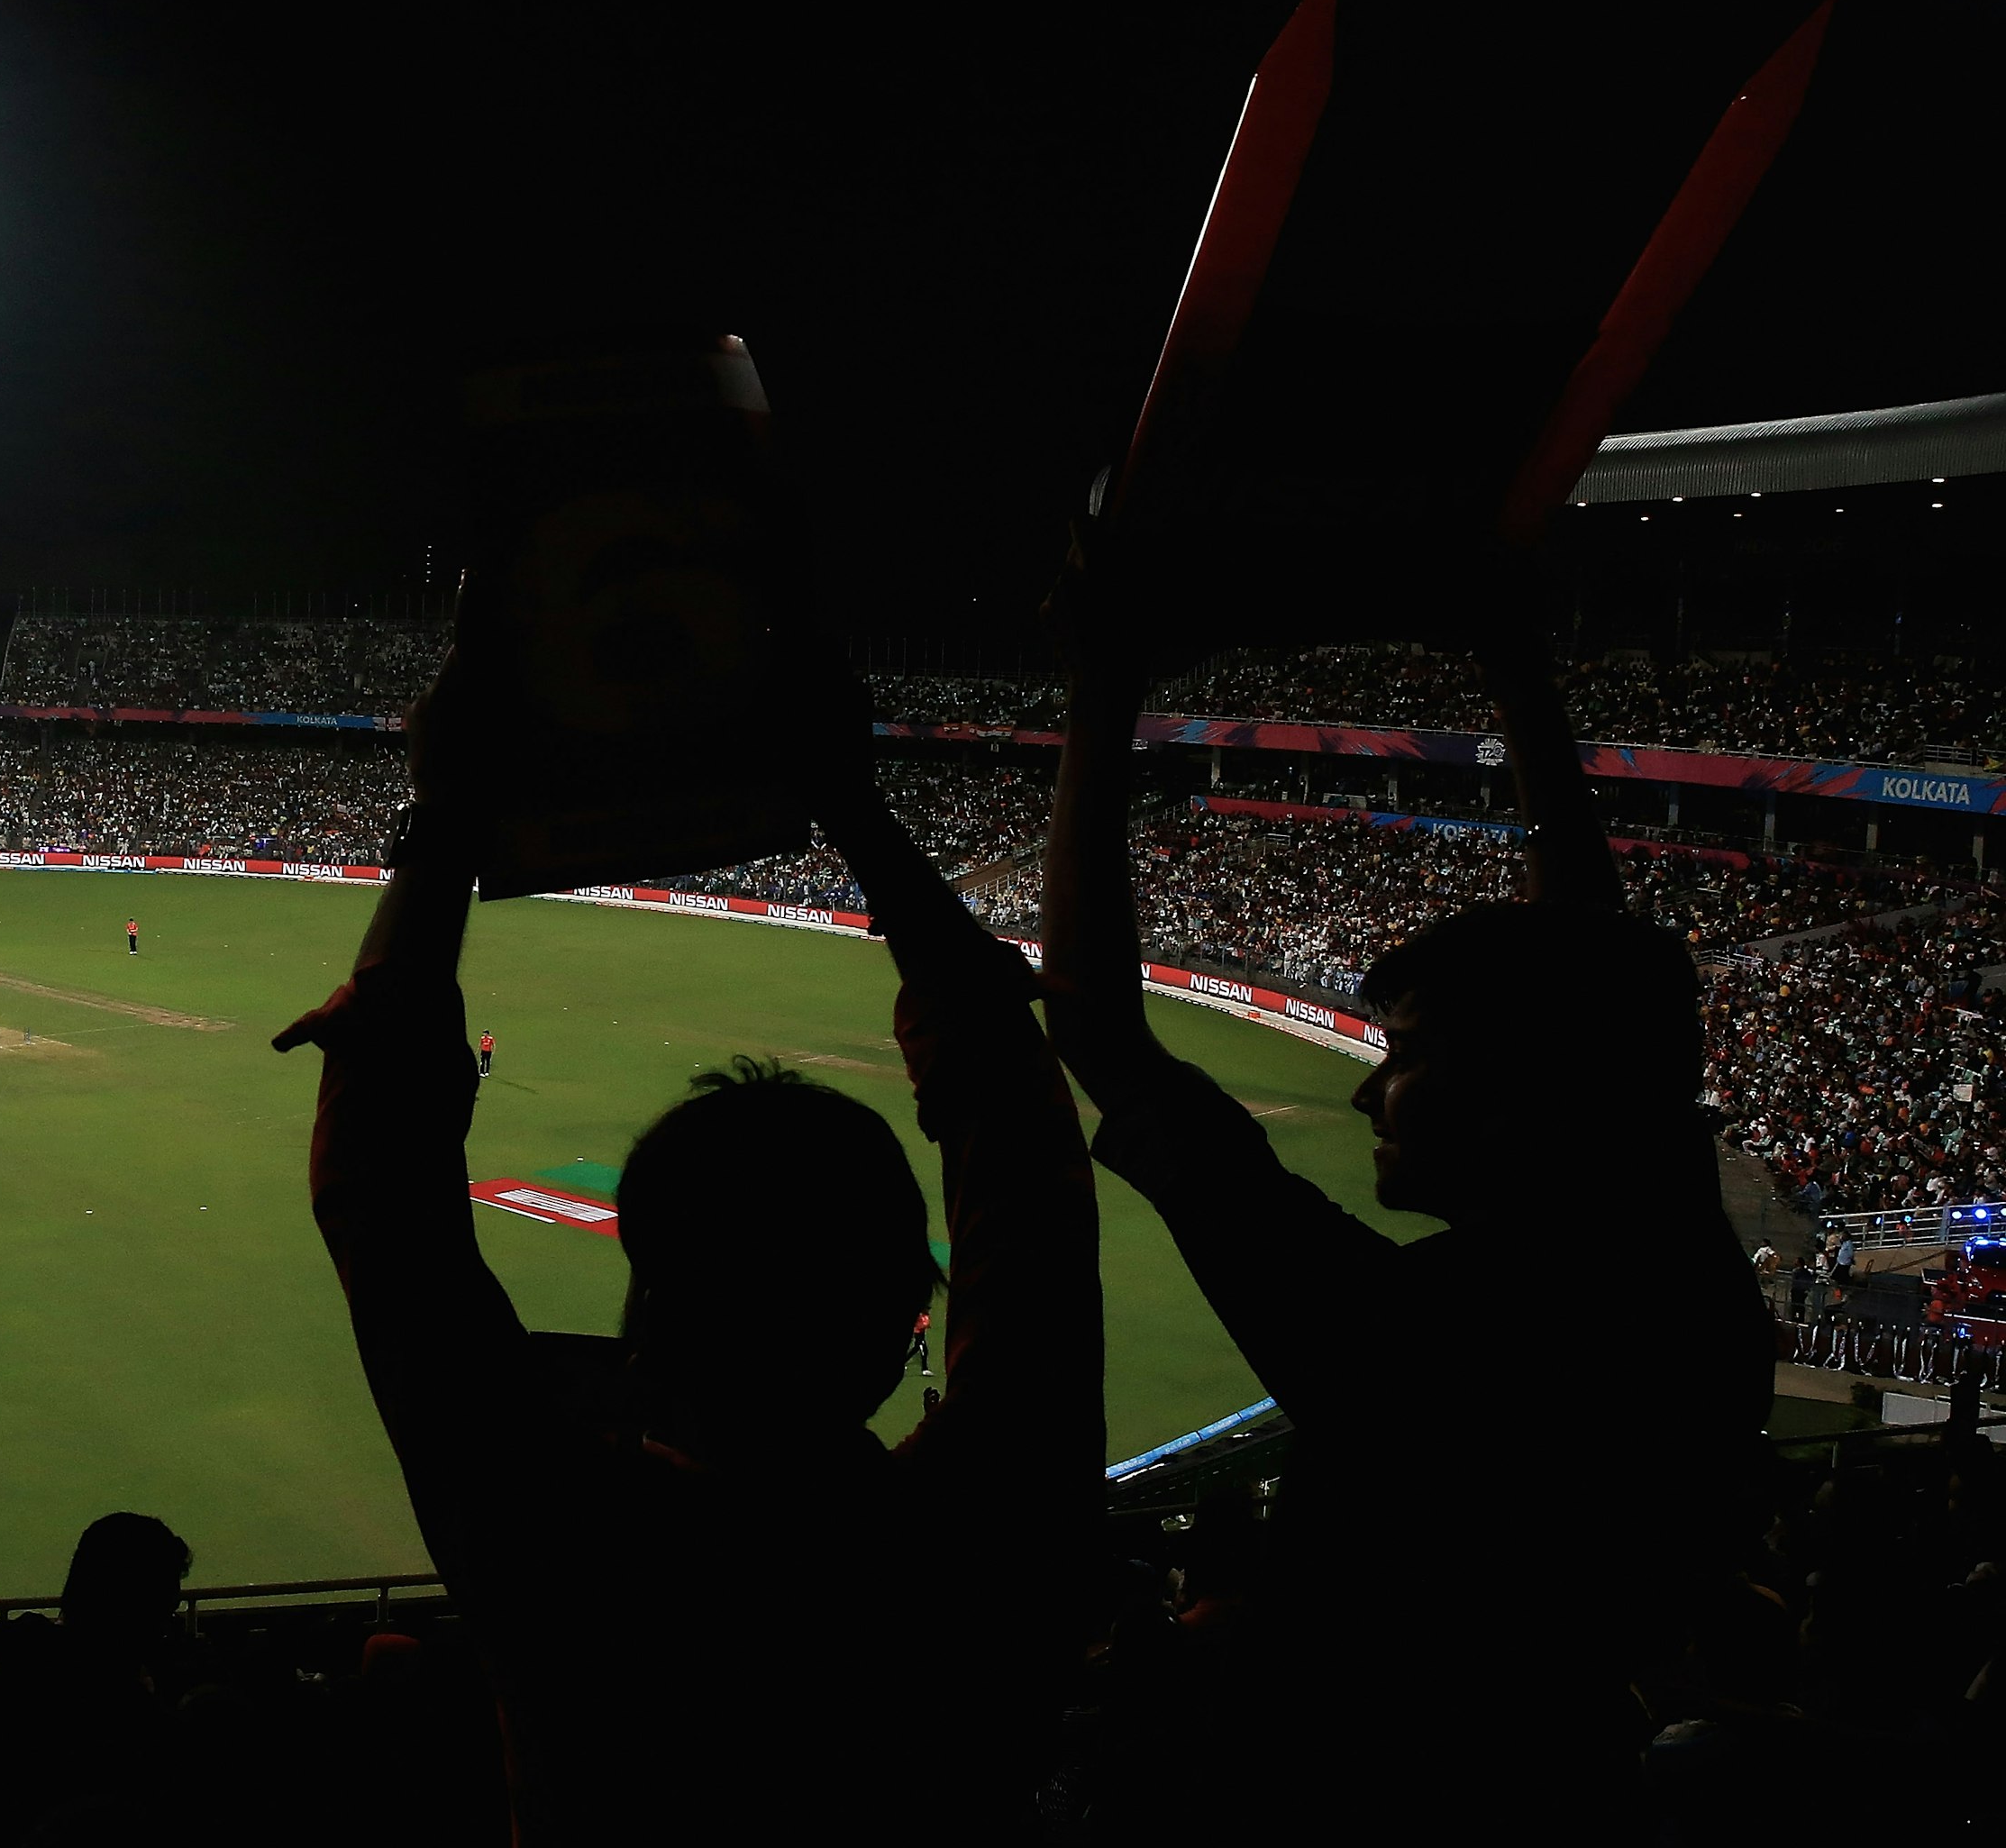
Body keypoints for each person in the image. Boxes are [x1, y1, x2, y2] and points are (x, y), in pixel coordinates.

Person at [277, 659, 1099, 1834]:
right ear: (909, 1318)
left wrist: (453, 812)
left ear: (649, 1326)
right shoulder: (990, 1536)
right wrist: (854, 808)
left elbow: (386, 1213)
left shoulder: (576, 1560)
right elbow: (1026, 1159)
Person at [1035, 569, 1768, 1830]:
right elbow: (1591, 965)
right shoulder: (1668, 1259)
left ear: (1514, 1100)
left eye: (1408, 1057)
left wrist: (1100, 692)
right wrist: (1520, 673)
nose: (1371, 1098)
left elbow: (1099, 1027)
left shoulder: (1416, 1344)